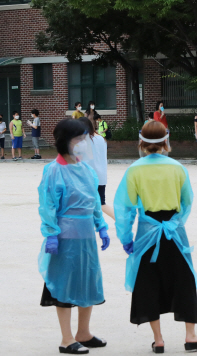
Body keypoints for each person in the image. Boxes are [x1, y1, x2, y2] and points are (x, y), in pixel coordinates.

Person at [114, 121, 197, 354]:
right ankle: (191, 336)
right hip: (174, 232)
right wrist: (176, 223)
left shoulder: (134, 170)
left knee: (148, 282)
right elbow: (187, 201)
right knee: (183, 280)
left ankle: (158, 340)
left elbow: (124, 208)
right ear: (166, 141)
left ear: (142, 143)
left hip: (147, 232)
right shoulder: (177, 168)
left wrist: (126, 237)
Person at [38, 118, 110, 355]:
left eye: (85, 138)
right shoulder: (53, 171)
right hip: (65, 237)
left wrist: (101, 227)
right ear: (65, 141)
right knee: (64, 284)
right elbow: (47, 205)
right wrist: (50, 234)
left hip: (87, 236)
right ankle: (66, 339)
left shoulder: (86, 169)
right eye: (78, 138)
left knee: (88, 281)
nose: (83, 143)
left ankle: (83, 333)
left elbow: (94, 203)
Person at [78, 117, 114, 220]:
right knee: (102, 203)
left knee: (83, 203)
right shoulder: (101, 139)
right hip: (101, 175)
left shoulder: (82, 141)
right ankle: (120, 220)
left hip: (87, 177)